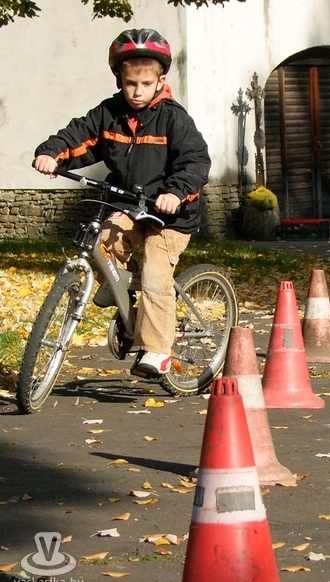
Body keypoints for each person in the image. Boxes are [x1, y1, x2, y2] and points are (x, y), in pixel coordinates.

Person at [34, 28, 211, 376]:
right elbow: (79, 135)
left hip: (171, 216)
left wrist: (175, 193)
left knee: (156, 276)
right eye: (130, 83)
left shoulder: (173, 118)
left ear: (160, 81)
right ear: (119, 79)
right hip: (130, 206)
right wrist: (52, 153)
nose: (137, 91)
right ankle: (121, 291)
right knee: (104, 240)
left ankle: (156, 350)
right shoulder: (109, 113)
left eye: (146, 84)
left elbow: (195, 162)